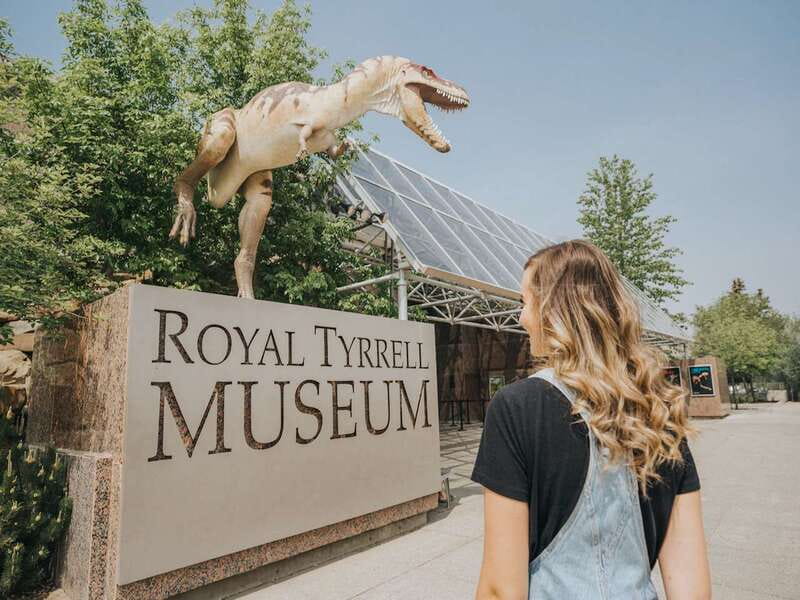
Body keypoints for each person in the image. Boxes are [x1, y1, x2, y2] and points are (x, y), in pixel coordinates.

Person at [471, 240, 711, 600]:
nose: (522, 317)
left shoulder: (516, 407)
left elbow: (501, 589)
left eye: (526, 303)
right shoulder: (660, 412)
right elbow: (691, 584)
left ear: (554, 311)